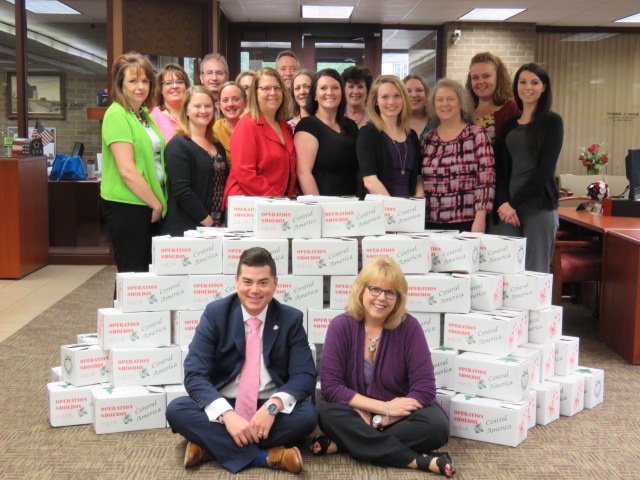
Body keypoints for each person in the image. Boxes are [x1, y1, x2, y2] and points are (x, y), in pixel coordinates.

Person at [166, 247, 317, 474]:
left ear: (275, 284)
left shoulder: (290, 319)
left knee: (307, 416)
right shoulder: (216, 314)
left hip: (267, 405)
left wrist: (273, 407)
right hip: (224, 402)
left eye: (263, 282)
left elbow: (305, 375)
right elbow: (195, 374)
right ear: (236, 282)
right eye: (247, 282)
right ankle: (265, 457)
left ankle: (211, 448)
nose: (254, 290)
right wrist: (227, 415)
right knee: (177, 410)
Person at [314, 257, 455, 477]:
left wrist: (385, 418)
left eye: (390, 292)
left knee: (437, 425)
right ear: (361, 290)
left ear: (398, 299)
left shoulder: (410, 328)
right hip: (357, 412)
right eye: (375, 289)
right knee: (328, 414)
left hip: (398, 418)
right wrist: (383, 408)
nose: (382, 297)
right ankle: (419, 461)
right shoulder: (340, 326)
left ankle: (347, 443)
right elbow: (331, 388)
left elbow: (425, 389)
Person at [100, 51, 166, 274]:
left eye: (145, 81)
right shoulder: (116, 114)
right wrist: (155, 203)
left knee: (143, 274)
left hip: (144, 203)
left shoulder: (142, 113)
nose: (140, 87)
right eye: (133, 81)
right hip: (127, 206)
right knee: (133, 274)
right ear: (120, 84)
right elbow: (127, 170)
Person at [495, 63, 563, 273]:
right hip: (508, 211)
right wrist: (504, 203)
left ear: (544, 87)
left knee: (535, 272)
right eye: (522, 82)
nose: (528, 87)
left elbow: (544, 171)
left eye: (534, 82)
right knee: (507, 273)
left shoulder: (552, 122)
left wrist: (513, 203)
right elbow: (500, 170)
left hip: (538, 207)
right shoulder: (509, 124)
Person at [421, 78, 495, 232]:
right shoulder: (428, 139)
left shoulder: (476, 135)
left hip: (467, 221)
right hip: (430, 222)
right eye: (440, 100)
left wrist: (480, 218)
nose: (445, 104)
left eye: (450, 99)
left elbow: (486, 179)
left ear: (461, 103)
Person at [223, 67, 297, 204]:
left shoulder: (285, 127)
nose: (273, 93)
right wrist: (276, 199)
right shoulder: (246, 125)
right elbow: (244, 172)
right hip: (247, 205)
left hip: (275, 204)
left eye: (277, 88)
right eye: (266, 88)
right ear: (255, 93)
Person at [162, 86, 228, 235]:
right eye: (197, 106)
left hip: (215, 228)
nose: (203, 111)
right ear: (186, 110)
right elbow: (182, 191)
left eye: (208, 106)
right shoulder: (177, 146)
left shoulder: (217, 144)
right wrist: (208, 221)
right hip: (188, 229)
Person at [294, 69, 359, 196]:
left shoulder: (351, 126)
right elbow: (303, 173)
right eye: (323, 88)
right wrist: (319, 204)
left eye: (335, 88)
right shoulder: (308, 125)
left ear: (341, 93)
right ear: (314, 95)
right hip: (324, 203)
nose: (329, 92)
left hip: (353, 202)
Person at [357, 75, 423, 198]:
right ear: (376, 101)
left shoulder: (412, 136)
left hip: (411, 207)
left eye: (397, 96)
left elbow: (418, 175)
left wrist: (419, 201)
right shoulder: (368, 133)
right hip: (380, 206)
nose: (391, 102)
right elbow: (370, 180)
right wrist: (394, 207)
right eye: (385, 97)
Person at [466, 52, 520, 144]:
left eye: (486, 76)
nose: (480, 81)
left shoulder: (512, 109)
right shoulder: (464, 112)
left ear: (498, 78)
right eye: (475, 77)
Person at [150, 63, 190, 142]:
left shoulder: (194, 113)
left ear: (186, 86)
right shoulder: (152, 116)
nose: (175, 86)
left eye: (179, 82)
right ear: (160, 89)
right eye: (168, 83)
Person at [213, 81, 247, 167]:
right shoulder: (213, 131)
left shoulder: (254, 129)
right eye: (225, 100)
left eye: (236, 99)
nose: (230, 104)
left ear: (245, 103)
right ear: (219, 106)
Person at [200, 53, 230, 119]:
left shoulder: (234, 105)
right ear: (201, 78)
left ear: (227, 77)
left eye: (219, 73)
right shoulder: (194, 106)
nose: (214, 78)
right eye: (209, 73)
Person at [403, 74, 431, 142]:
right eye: (408, 91)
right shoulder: (395, 124)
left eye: (419, 90)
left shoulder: (437, 123)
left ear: (426, 94)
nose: (414, 95)